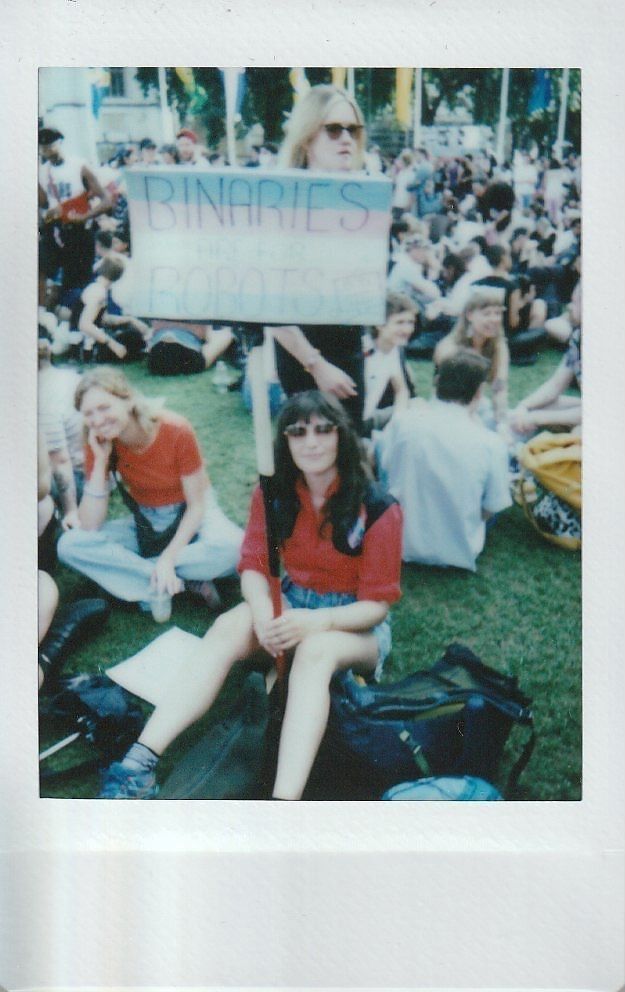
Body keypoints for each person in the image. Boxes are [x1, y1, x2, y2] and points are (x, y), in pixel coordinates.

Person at [97, 391, 403, 799]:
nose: (310, 442)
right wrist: (262, 615)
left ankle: (283, 802)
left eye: (322, 430)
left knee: (315, 654)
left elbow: (376, 606)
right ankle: (138, 762)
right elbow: (254, 567)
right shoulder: (273, 493)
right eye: (298, 432)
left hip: (352, 624)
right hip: (291, 602)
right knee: (229, 625)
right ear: (285, 442)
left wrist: (317, 623)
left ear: (341, 436)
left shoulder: (378, 506)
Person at [57, 367, 243, 612]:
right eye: (89, 414)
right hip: (148, 519)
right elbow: (90, 525)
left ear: (128, 400)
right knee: (70, 545)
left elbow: (197, 506)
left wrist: (168, 558)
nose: (98, 420)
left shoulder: (176, 429)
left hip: (193, 510)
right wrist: (101, 461)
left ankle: (141, 574)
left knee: (234, 550)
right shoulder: (99, 440)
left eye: (104, 408)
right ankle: (181, 579)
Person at [270, 84, 370, 429]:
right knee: (311, 456)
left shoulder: (360, 202)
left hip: (351, 350)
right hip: (304, 359)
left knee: (348, 453)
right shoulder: (284, 205)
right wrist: (316, 364)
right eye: (333, 129)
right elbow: (269, 304)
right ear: (307, 137)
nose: (346, 138)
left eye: (353, 130)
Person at [379, 350, 511, 571]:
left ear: (437, 383)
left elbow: (386, 467)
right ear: (478, 393)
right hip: (458, 549)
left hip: (401, 541)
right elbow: (491, 506)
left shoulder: (403, 421)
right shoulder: (491, 442)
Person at [38, 127, 111, 307]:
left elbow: (106, 201)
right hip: (54, 230)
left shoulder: (79, 166)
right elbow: (44, 203)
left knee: (76, 283)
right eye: (43, 147)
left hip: (79, 232)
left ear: (60, 143)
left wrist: (85, 216)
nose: (47, 150)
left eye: (50, 145)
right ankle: (42, 315)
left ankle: (78, 322)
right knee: (40, 268)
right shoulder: (41, 171)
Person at [433, 287, 510, 431]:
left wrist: (502, 422)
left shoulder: (499, 346)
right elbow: (453, 397)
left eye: (498, 313)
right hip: (449, 407)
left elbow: (500, 388)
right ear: (469, 315)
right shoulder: (449, 347)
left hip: (477, 403)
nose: (494, 319)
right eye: (487, 314)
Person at [510, 285, 582, 436]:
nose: (569, 307)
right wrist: (524, 407)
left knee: (578, 433)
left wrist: (540, 418)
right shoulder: (578, 337)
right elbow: (556, 385)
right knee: (541, 406)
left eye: (575, 303)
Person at [362, 292, 417, 434]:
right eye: (399, 322)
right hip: (351, 422)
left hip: (368, 419)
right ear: (380, 325)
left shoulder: (394, 350)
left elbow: (401, 390)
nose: (407, 330)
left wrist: (398, 422)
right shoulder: (363, 350)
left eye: (410, 322)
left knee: (420, 407)